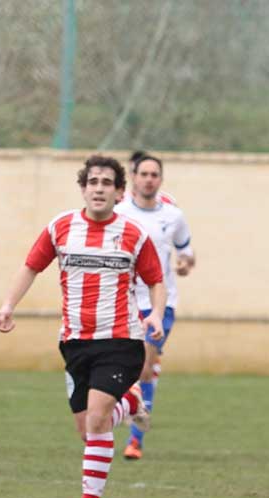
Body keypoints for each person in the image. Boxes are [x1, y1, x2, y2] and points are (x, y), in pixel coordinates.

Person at [0, 154, 166, 498]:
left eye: (107, 183)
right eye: (93, 182)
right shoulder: (61, 227)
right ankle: (131, 403)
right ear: (84, 189)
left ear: (119, 192)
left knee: (98, 418)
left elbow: (156, 280)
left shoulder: (134, 233)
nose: (98, 189)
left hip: (121, 340)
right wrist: (8, 305)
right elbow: (31, 266)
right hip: (75, 342)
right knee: (88, 430)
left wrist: (155, 314)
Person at [115, 154, 195, 459]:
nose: (149, 179)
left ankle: (135, 440)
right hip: (124, 301)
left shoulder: (173, 216)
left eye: (154, 174)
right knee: (124, 367)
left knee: (145, 367)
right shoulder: (119, 213)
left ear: (160, 179)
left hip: (161, 303)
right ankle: (127, 406)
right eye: (144, 174)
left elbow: (186, 251)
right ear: (133, 177)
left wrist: (185, 264)